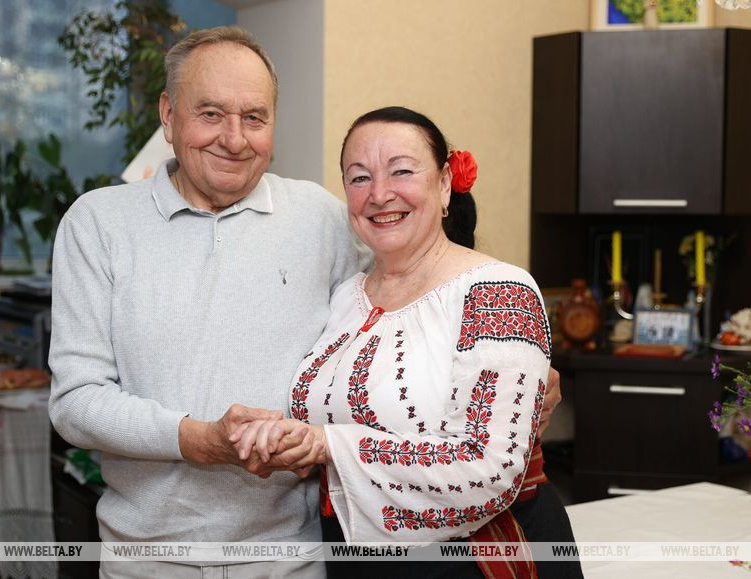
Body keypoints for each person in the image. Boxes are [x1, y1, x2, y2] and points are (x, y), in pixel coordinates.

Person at [49, 25, 563, 576]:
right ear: (168, 115)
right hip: (147, 557)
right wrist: (194, 439)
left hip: (297, 556)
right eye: (210, 114)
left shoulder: (321, 218)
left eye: (254, 117)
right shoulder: (98, 224)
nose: (234, 139)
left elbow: (418, 300)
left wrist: (514, 374)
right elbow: (76, 400)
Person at [231, 107, 582, 578]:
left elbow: (489, 467)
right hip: (352, 555)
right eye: (359, 178)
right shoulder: (345, 298)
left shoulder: (500, 291)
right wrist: (290, 443)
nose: (379, 194)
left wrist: (327, 445)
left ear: (444, 184)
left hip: (474, 560)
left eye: (401, 171)